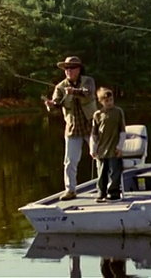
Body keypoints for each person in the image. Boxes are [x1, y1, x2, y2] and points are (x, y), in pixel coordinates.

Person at [44, 56, 97, 201]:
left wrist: (74, 92)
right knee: (70, 162)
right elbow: (56, 104)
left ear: (78, 69)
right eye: (66, 68)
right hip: (73, 128)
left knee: (99, 156)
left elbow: (88, 93)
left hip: (91, 125)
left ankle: (105, 186)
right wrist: (50, 105)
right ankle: (70, 190)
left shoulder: (88, 81)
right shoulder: (60, 87)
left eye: (71, 68)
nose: (68, 71)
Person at [89, 87, 126, 202]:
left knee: (114, 171)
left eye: (111, 100)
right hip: (101, 150)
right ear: (100, 101)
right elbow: (94, 134)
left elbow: (122, 131)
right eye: (106, 101)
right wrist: (93, 148)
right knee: (101, 172)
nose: (109, 103)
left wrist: (120, 146)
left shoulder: (118, 112)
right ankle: (101, 192)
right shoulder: (97, 115)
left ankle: (114, 192)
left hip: (114, 148)